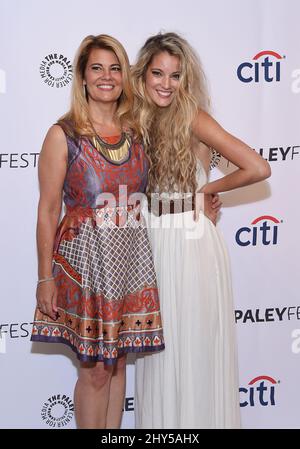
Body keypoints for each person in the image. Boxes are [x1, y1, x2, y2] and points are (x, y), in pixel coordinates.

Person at [132, 32, 271, 429]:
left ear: (185, 79)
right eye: (157, 73)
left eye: (175, 76)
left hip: (190, 243)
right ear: (142, 76)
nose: (165, 83)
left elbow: (257, 167)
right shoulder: (133, 121)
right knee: (158, 354)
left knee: (191, 347)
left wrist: (206, 189)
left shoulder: (193, 117)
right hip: (152, 241)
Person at [30, 34, 165, 429]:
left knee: (119, 363)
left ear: (125, 76)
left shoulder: (137, 132)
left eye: (115, 67)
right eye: (97, 68)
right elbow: (48, 210)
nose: (107, 76)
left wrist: (200, 200)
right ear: (83, 77)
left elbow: (157, 193)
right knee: (95, 372)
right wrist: (44, 278)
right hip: (84, 265)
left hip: (130, 263)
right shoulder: (63, 135)